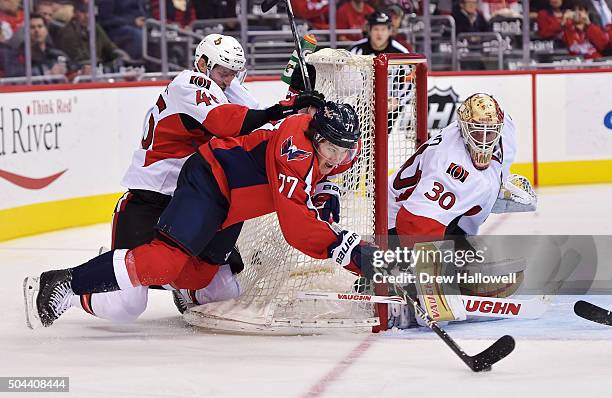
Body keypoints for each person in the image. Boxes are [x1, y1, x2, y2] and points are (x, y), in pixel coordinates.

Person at [22, 33, 325, 326]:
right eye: (223, 71)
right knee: (126, 306)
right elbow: (227, 124)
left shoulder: (227, 87)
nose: (229, 79)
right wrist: (283, 108)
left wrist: (296, 100)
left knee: (221, 294)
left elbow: (265, 127)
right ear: (204, 64)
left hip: (195, 199)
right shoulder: (189, 82)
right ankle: (68, 288)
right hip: (151, 197)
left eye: (234, 72)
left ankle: (181, 285)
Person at [24, 101, 387, 329]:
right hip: (212, 181)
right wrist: (352, 253)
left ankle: (143, 270)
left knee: (207, 281)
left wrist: (327, 200)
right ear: (315, 135)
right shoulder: (295, 147)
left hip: (235, 206)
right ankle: (68, 281)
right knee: (163, 262)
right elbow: (297, 224)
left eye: (344, 150)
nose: (337, 158)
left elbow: (317, 187)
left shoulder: (336, 152)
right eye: (330, 147)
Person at [386, 93, 536, 328]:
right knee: (444, 280)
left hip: (441, 217)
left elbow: (487, 176)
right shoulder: (451, 165)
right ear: (463, 129)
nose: (485, 139)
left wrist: (497, 190)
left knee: (475, 269)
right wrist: (432, 289)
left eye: (490, 131)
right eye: (476, 131)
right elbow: (414, 222)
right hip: (396, 225)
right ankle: (392, 279)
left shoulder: (506, 130)